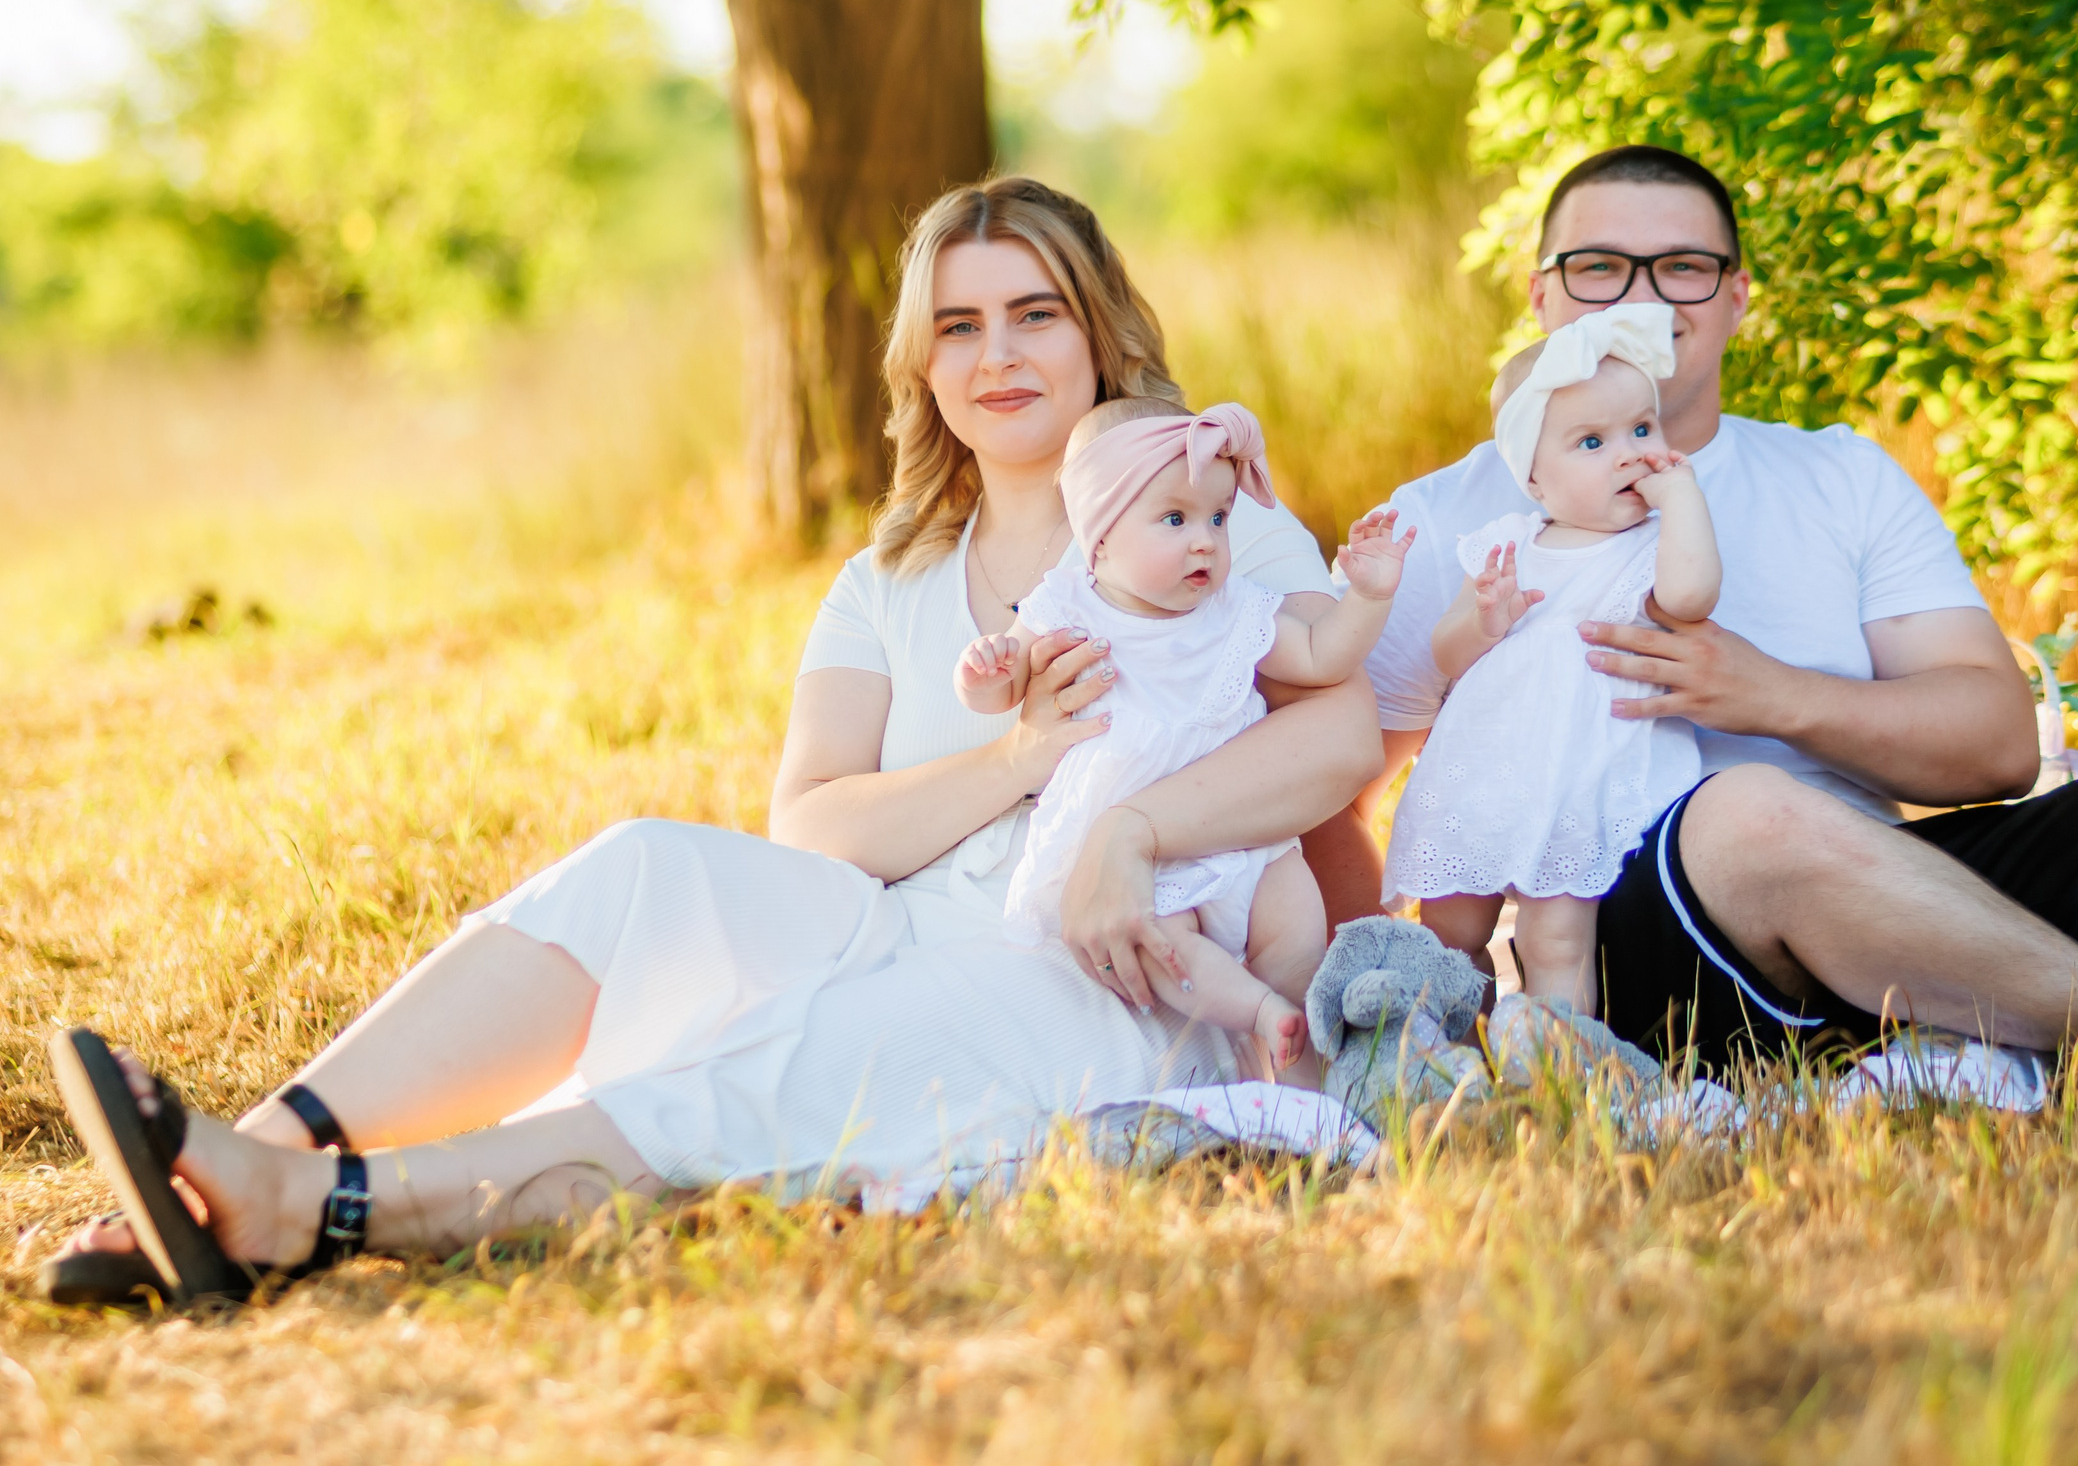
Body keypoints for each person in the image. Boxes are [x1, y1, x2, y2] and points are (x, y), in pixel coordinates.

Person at [42, 176, 1383, 1306]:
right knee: (637, 868)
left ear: (1100, 331)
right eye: (961, 324)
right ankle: (232, 1163)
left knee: (789, 1071)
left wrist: (1126, 828)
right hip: (897, 911)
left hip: (1122, 964)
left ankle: (308, 1207)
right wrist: (1018, 763)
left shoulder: (1211, 511)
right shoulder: (891, 571)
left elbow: (1338, 739)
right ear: (925, 362)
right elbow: (813, 824)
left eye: (1036, 312)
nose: (1000, 354)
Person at [1328, 142, 2078, 1070]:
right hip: (1627, 939)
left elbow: (1989, 746)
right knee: (1750, 811)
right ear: (1543, 299)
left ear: (1738, 299)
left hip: (1893, 903)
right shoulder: (1451, 521)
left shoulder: (1835, 472)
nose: (1640, 295)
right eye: (1597, 267)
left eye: (1683, 267)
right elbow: (1350, 788)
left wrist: (1778, 696)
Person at [960, 396, 1414, 1071]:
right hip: (1144, 865)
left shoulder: (1233, 612)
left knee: (1298, 921)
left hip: (1235, 830)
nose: (1205, 539)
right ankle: (1260, 1013)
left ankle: (1302, 1075)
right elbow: (1006, 691)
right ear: (1101, 533)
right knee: (1166, 946)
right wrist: (986, 672)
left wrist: (1370, 596)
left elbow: (1323, 655)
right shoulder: (1066, 604)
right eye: (1175, 518)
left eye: (1219, 517)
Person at [1385, 302, 1719, 1013]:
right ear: (1534, 479)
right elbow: (1447, 653)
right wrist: (1486, 617)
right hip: (1485, 767)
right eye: (1592, 442)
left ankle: (1559, 1070)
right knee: (1450, 928)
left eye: (1641, 428)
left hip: (1582, 775)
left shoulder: (1655, 542)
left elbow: (1691, 597)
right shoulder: (1507, 542)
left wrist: (1683, 496)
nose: (1629, 451)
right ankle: (1450, 1064)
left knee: (1555, 938)